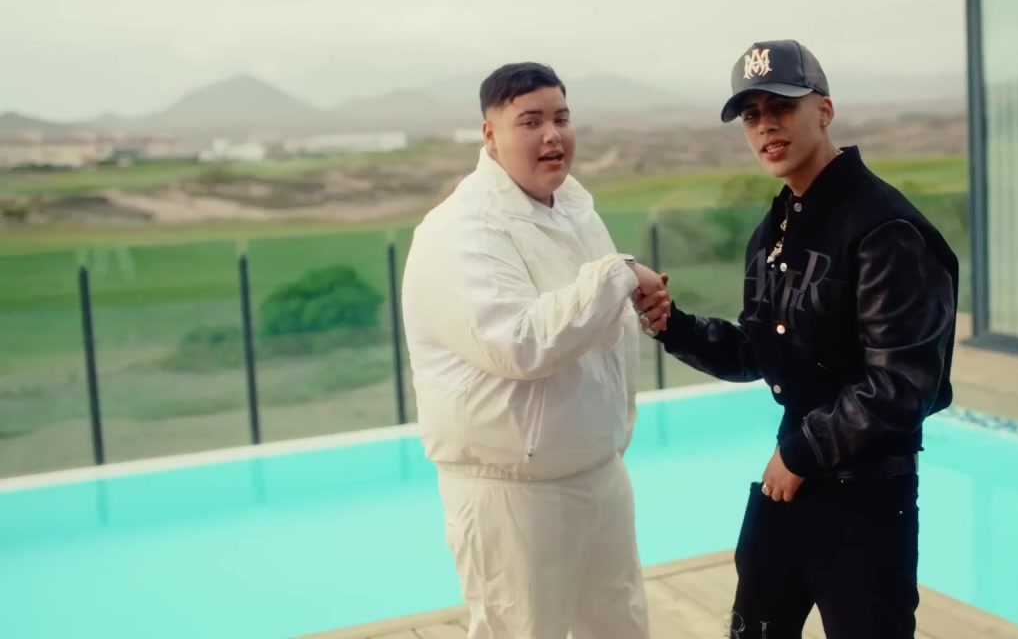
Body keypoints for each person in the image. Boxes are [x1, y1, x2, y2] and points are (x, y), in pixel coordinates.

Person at [635, 40, 959, 638]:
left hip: (865, 501)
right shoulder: (776, 229)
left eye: (782, 106)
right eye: (751, 114)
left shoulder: (887, 230)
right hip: (788, 490)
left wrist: (799, 453)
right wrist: (671, 324)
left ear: (825, 110)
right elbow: (758, 351)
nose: (766, 126)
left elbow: (901, 386)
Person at [400, 61, 665, 639]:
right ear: (489, 133)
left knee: (619, 625)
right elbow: (517, 343)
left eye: (561, 118)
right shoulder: (462, 229)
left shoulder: (571, 207)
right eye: (531, 121)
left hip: (596, 468)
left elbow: (592, 321)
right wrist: (617, 275)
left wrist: (633, 301)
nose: (552, 135)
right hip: (510, 489)